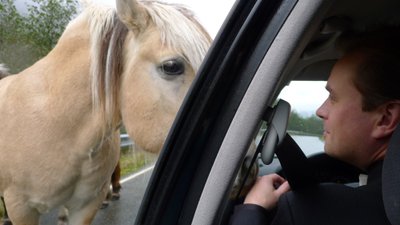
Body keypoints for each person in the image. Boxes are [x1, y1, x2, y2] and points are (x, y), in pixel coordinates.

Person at [229, 27, 400, 225]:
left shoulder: (307, 213)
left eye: (333, 97)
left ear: (386, 119)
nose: (320, 110)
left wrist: (252, 209)